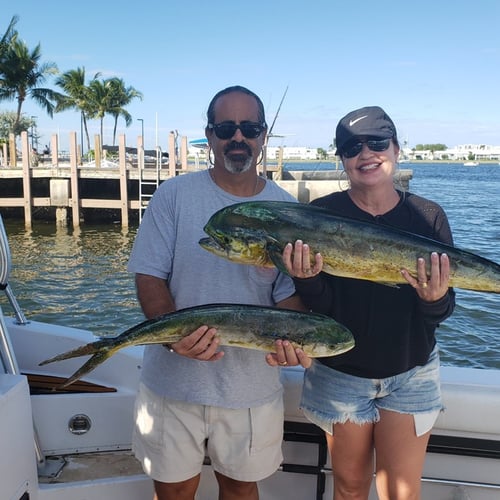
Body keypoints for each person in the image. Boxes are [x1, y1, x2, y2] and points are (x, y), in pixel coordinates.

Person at [127, 85, 309, 500]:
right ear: (209, 136)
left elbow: (289, 302)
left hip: (251, 388)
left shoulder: (288, 212)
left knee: (242, 489)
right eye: (226, 127)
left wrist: (297, 340)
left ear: (264, 136)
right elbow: (149, 276)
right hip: (172, 383)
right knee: (172, 491)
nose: (238, 138)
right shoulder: (173, 195)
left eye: (249, 128)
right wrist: (175, 337)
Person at [282, 106, 456, 500]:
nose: (365, 153)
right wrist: (307, 282)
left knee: (402, 493)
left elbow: (443, 311)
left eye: (377, 142)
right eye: (350, 146)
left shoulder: (428, 217)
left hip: (411, 371)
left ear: (396, 148)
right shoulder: (317, 217)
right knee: (349, 486)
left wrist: (435, 298)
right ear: (341, 158)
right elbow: (323, 314)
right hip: (340, 373)